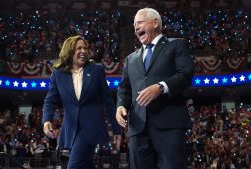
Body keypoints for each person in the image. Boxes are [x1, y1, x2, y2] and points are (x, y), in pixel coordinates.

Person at [116, 8, 194, 169]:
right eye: (134, 24)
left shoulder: (176, 45)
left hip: (169, 124)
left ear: (155, 22)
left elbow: (186, 75)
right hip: (138, 127)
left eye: (139, 22)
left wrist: (161, 87)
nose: (136, 27)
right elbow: (124, 88)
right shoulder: (131, 59)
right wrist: (121, 106)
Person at [42, 35, 122, 169]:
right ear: (69, 51)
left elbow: (108, 100)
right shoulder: (58, 73)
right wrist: (46, 120)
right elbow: (50, 99)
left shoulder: (96, 70)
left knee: (74, 166)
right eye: (79, 48)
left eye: (85, 48)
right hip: (71, 129)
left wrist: (116, 129)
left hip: (91, 127)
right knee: (86, 165)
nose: (83, 51)